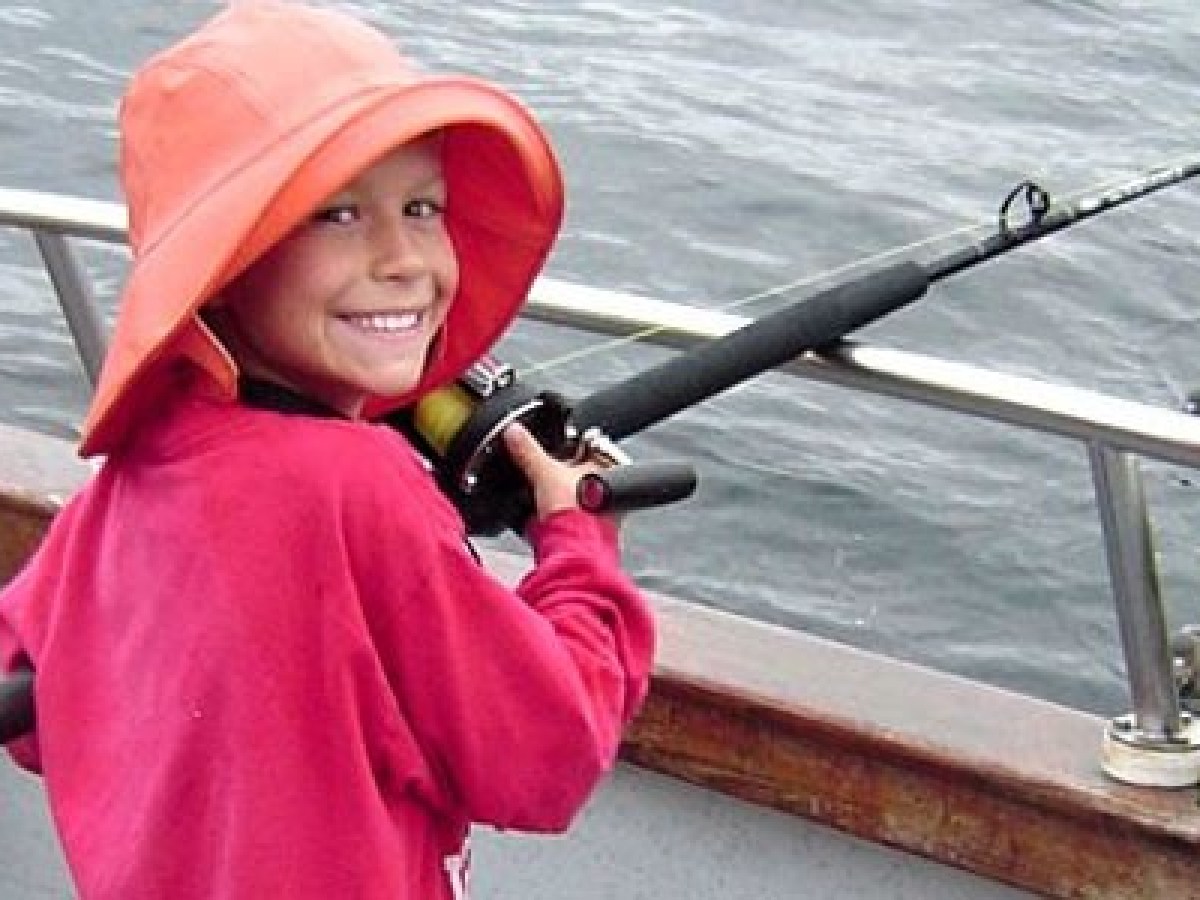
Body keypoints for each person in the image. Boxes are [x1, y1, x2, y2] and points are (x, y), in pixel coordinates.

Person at [0, 2, 656, 897]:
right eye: (338, 214)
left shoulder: (140, 469)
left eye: (422, 207)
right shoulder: (357, 485)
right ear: (223, 268)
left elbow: (34, 703)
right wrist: (579, 541)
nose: (402, 259)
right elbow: (550, 753)